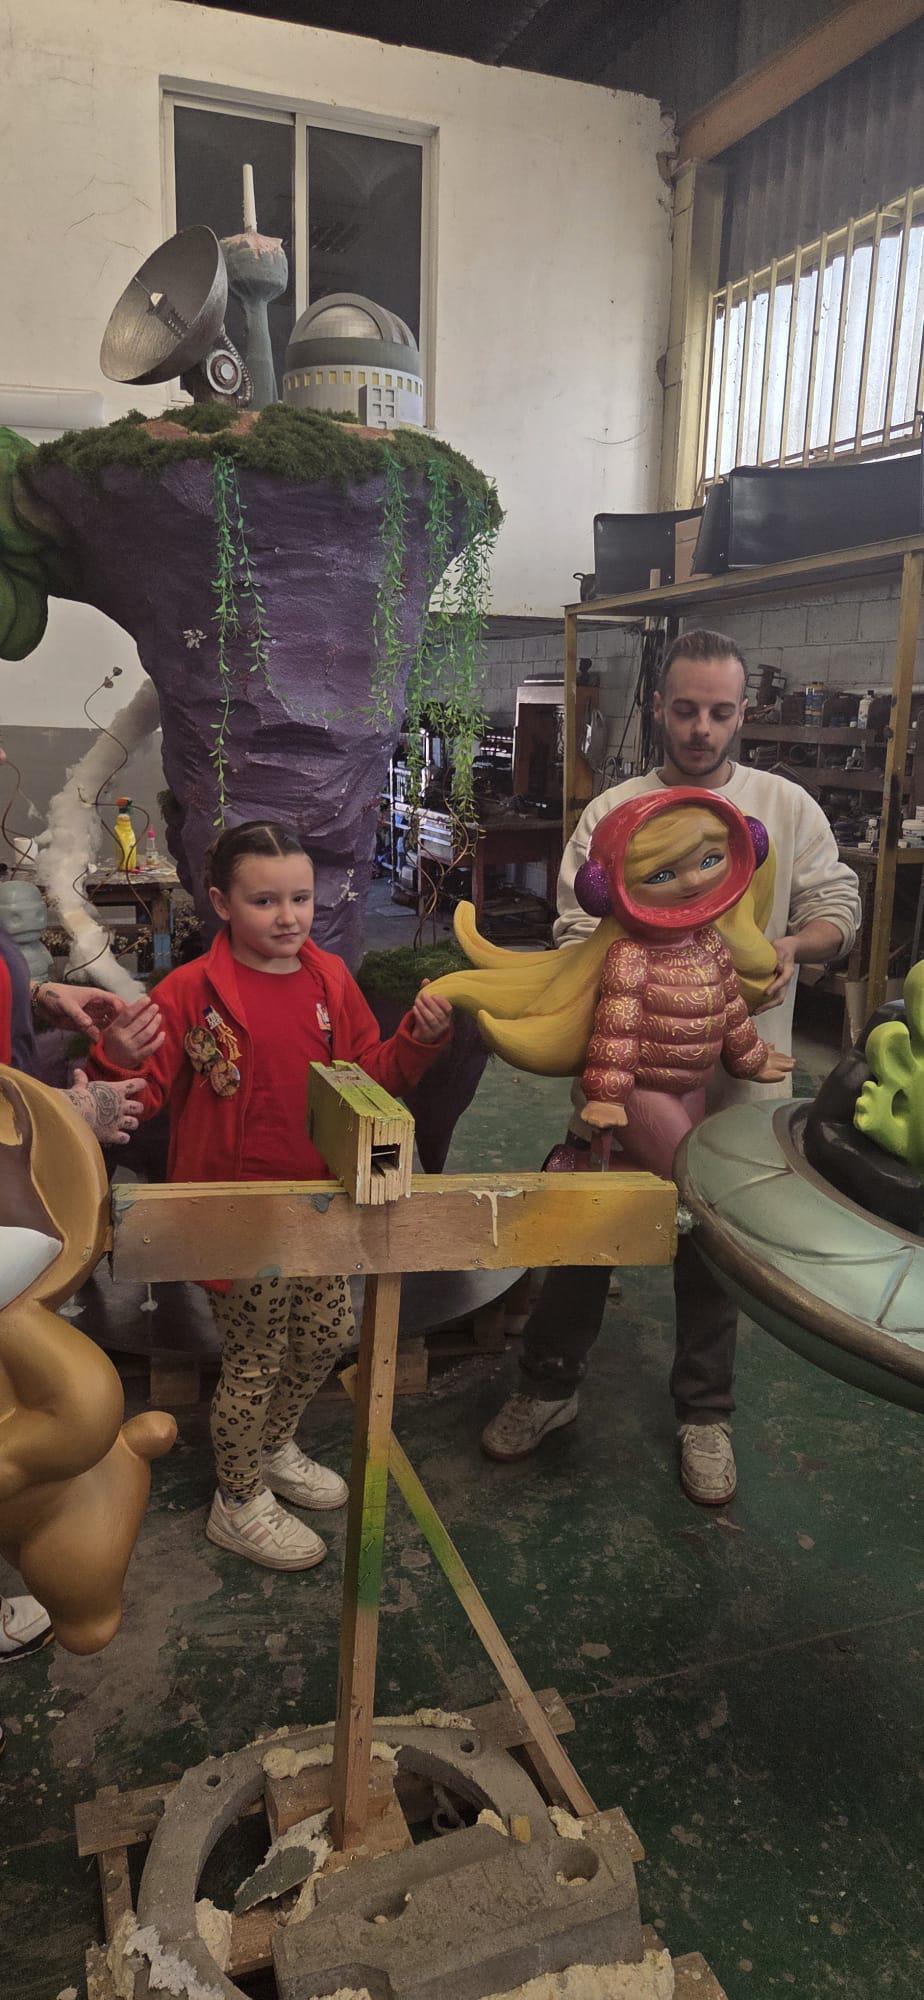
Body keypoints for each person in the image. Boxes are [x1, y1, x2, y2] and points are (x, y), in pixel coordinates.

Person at [481, 629, 862, 1505]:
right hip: (625, 1076)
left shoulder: (785, 806)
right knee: (592, 1219)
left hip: (740, 1075)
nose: (701, 729)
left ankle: (704, 1414)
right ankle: (548, 1385)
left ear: (742, 713)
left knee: (716, 1248)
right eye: (685, 710)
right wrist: (638, 964)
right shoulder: (615, 810)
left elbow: (836, 904)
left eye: (719, 713)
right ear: (659, 708)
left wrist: (790, 946)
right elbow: (577, 928)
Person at [89, 821, 453, 1571]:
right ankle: (237, 1497)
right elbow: (142, 1096)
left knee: (324, 1335)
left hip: (318, 1205)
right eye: (265, 901)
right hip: (239, 1215)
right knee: (255, 1358)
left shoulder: (329, 981)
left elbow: (367, 1077)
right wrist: (114, 1061)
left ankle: (274, 1445)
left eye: (301, 898)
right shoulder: (190, 992)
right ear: (221, 902)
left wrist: (415, 1040)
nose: (289, 917)